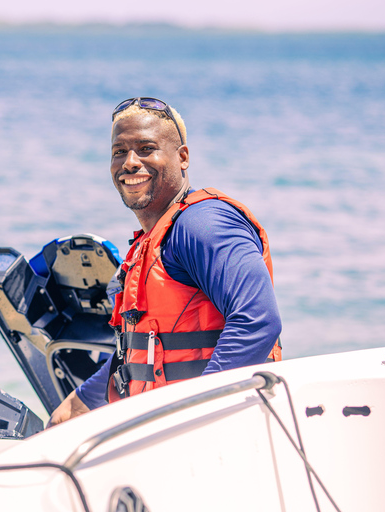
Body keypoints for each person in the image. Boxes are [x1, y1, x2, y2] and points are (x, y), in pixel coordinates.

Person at [48, 97, 282, 426]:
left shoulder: (203, 225)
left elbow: (258, 322)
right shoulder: (153, 241)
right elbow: (140, 350)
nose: (129, 162)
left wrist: (190, 414)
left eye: (146, 148)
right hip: (167, 427)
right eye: (119, 152)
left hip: (218, 429)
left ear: (182, 157)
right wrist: (84, 399)